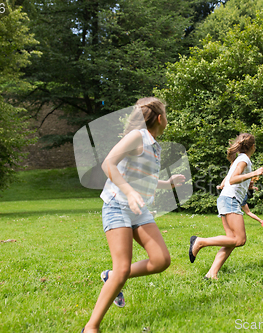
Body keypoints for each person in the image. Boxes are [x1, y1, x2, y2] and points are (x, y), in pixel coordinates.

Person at [81, 97, 185, 333]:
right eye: (166, 114)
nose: (167, 119)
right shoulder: (137, 136)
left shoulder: (153, 145)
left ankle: (110, 276)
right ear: (160, 118)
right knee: (123, 268)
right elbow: (108, 164)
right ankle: (91, 327)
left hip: (138, 210)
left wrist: (167, 183)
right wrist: (128, 192)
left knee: (161, 260)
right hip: (117, 204)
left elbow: (142, 177)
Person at [188, 133, 263, 280]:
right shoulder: (244, 160)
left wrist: (247, 185)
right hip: (230, 200)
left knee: (231, 240)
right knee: (240, 240)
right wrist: (254, 174)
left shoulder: (239, 159)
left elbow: (226, 182)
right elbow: (232, 179)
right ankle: (200, 241)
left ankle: (212, 273)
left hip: (226, 199)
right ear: (253, 147)